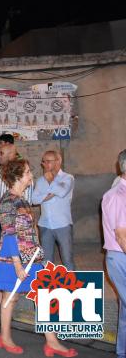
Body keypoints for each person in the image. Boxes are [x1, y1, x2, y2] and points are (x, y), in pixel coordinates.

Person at [0, 160, 76, 357]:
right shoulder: (7, 202)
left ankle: (52, 342)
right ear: (17, 177)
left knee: (44, 296)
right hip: (13, 257)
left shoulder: (22, 200)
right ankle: (4, 338)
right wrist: (17, 265)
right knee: (10, 298)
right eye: (28, 172)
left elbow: (29, 230)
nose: (31, 175)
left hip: (31, 257)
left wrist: (38, 250)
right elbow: (10, 234)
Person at [32, 150, 76, 270]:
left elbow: (62, 192)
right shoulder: (40, 180)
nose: (44, 164)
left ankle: (72, 286)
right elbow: (34, 200)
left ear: (58, 161)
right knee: (47, 261)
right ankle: (49, 287)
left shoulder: (68, 178)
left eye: (48, 161)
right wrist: (50, 195)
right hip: (45, 224)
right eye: (43, 162)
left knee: (67, 258)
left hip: (63, 224)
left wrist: (51, 181)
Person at [0, 143, 32, 267]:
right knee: (2, 249)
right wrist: (2, 216)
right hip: (2, 218)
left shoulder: (24, 180)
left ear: (11, 155)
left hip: (19, 226)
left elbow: (27, 205)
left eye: (1, 153)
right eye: (28, 172)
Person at [102, 149, 126, 358]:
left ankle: (122, 351)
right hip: (121, 256)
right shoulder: (120, 196)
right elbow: (122, 237)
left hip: (117, 257)